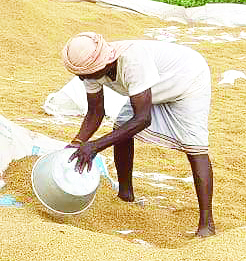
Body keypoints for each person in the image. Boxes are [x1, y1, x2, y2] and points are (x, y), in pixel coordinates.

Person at [60, 32, 215, 237]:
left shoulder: (132, 61)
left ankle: (207, 224)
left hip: (186, 78)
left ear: (103, 65)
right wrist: (76, 143)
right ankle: (126, 195)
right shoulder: (90, 69)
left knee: (194, 146)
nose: (82, 79)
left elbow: (143, 119)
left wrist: (95, 146)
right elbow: (95, 112)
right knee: (121, 128)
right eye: (81, 75)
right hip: (148, 87)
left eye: (86, 75)